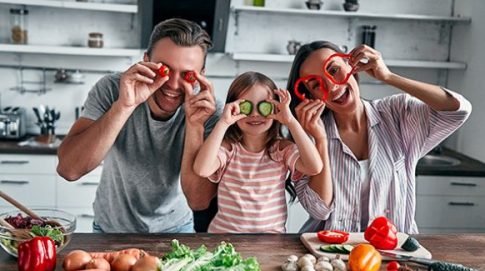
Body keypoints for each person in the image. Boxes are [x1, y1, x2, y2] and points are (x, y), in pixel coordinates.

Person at [287, 41, 472, 234]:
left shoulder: (396, 113)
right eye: (317, 84)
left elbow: (458, 110)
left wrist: (389, 77)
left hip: (393, 249)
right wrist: (321, 140)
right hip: (329, 253)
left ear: (351, 65)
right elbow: (319, 210)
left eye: (333, 70)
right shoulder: (307, 136)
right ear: (310, 95)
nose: (332, 86)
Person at [56, 18, 222, 233]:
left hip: (176, 230)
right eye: (164, 69)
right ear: (145, 61)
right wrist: (124, 105)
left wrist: (195, 126)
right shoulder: (112, 89)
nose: (172, 85)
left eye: (187, 75)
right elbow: (69, 169)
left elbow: (198, 200)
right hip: (110, 230)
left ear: (201, 76)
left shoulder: (208, 109)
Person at [193, 71, 324, 233]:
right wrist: (223, 122)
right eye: (245, 106)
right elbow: (201, 169)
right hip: (224, 238)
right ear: (233, 108)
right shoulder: (229, 148)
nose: (255, 114)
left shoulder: (281, 150)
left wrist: (290, 121)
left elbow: (315, 167)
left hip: (270, 241)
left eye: (263, 106)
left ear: (276, 108)